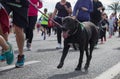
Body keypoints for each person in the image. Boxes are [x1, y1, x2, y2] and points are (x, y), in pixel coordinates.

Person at [1, 0, 29, 67]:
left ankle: (21, 55)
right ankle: (6, 48)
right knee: (1, 24)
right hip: (5, 1)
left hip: (21, 3)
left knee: (18, 29)